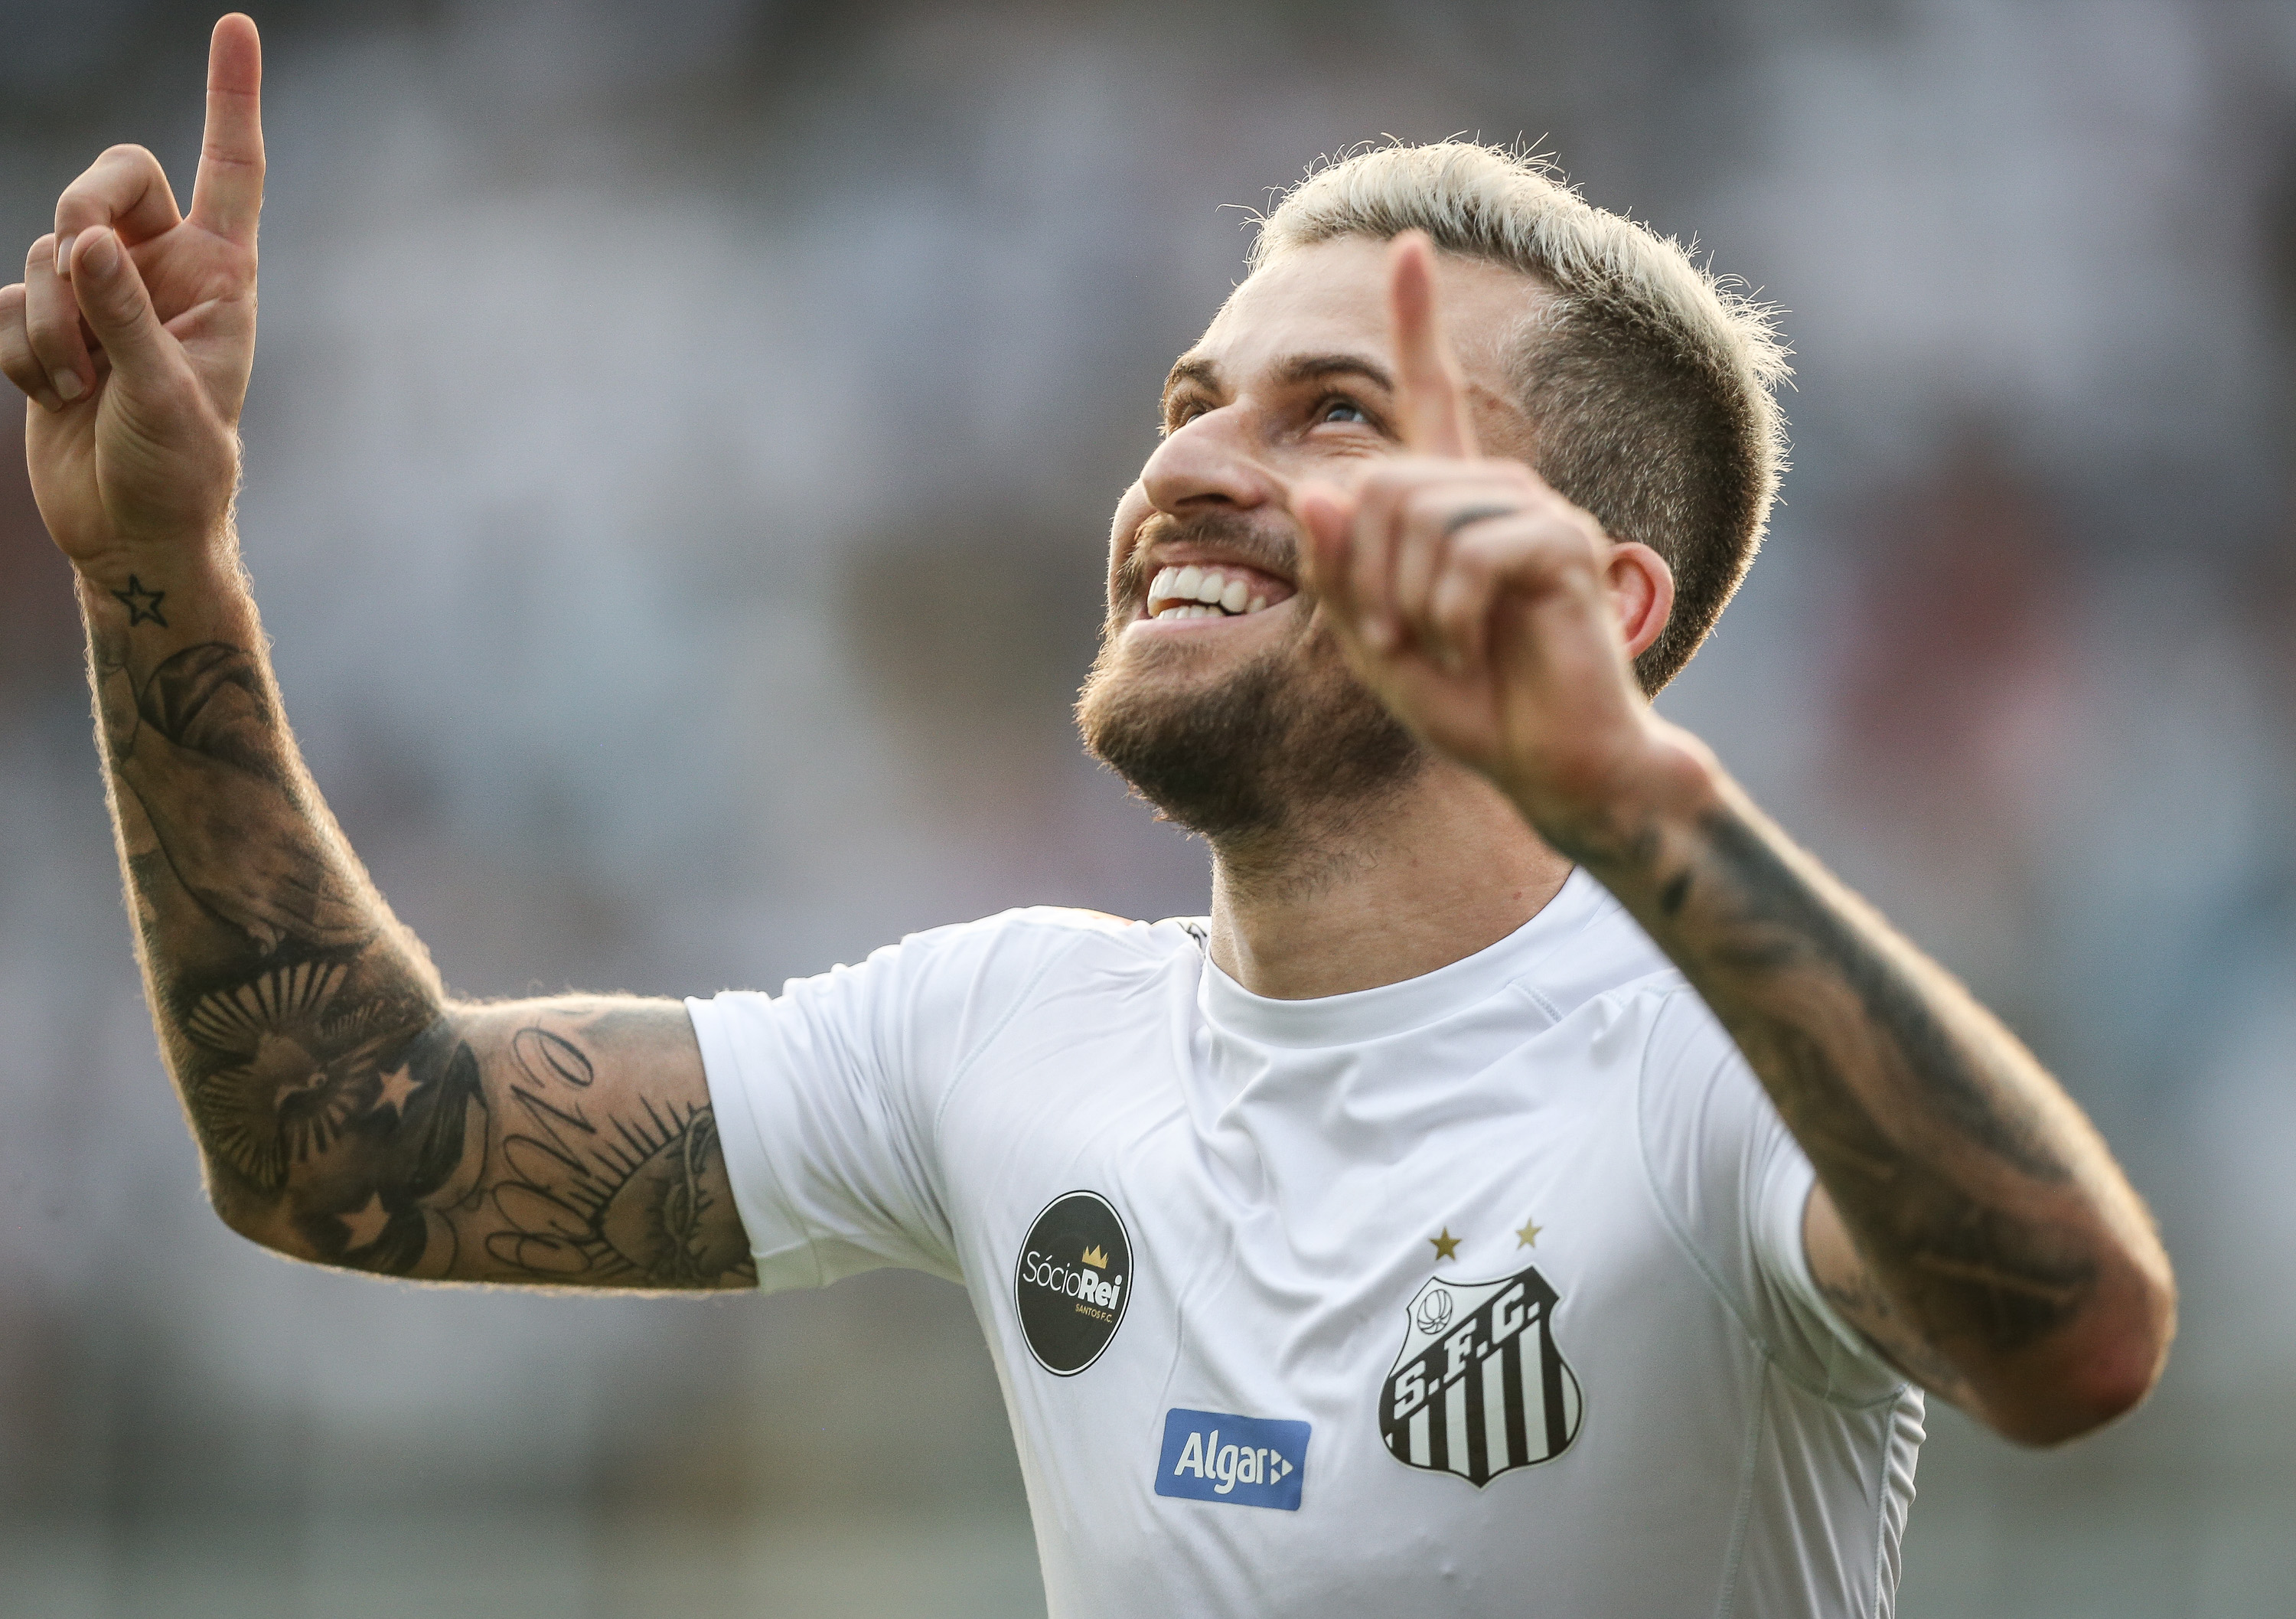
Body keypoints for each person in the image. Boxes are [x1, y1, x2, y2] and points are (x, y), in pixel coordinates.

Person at [1, 15, 2174, 1618]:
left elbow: (2075, 1338)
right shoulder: (1005, 1028)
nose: (1193, 468)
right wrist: (154, 569)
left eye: (1337, 412)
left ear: (1608, 601)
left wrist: (1638, 799)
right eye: (1186, 401)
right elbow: (348, 1137)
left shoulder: (1711, 1065)